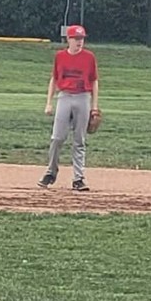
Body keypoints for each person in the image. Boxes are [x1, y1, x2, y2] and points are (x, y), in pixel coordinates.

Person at [38, 24, 99, 190]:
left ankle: (78, 179)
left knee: (79, 140)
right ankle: (50, 173)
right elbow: (54, 79)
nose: (80, 42)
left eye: (82, 39)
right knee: (57, 138)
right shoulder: (60, 56)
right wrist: (49, 102)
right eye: (76, 39)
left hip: (82, 98)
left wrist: (94, 107)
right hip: (64, 96)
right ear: (68, 39)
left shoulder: (89, 57)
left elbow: (94, 81)